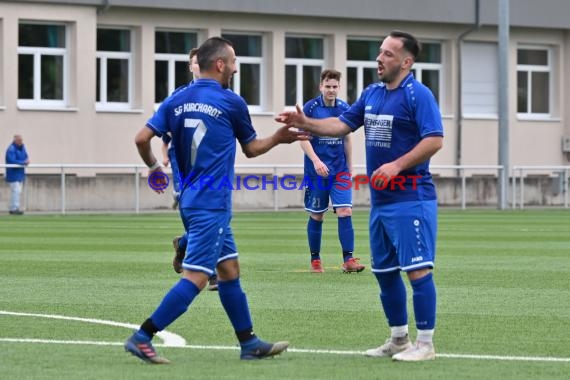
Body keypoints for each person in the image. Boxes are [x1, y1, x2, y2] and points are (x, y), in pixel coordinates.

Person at [125, 36, 306, 364]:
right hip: (212, 203)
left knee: (229, 269)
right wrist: (279, 138)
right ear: (220, 64)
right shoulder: (230, 101)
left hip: (190, 197)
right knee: (196, 277)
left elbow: (141, 138)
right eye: (234, 61)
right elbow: (251, 149)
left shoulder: (177, 99)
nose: (236, 67)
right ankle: (143, 336)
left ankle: (249, 343)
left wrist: (154, 168)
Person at [277, 30, 443, 362]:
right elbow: (341, 125)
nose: (379, 59)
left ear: (407, 62)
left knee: (417, 270)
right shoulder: (372, 93)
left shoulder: (418, 95)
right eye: (380, 52)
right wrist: (304, 121)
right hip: (381, 202)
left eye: (388, 54)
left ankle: (425, 344)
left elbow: (435, 139)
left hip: (412, 198)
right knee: (384, 272)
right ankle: (398, 339)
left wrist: (396, 165)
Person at [160, 48, 220, 290]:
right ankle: (212, 273)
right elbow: (164, 132)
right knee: (200, 215)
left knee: (209, 217)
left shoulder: (219, 95)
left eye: (201, 62)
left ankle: (183, 245)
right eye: (195, 63)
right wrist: (162, 157)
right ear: (190, 66)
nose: (198, 66)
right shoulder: (180, 95)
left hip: (210, 165)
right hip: (183, 164)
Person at [300, 69, 364, 274]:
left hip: (340, 171)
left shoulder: (345, 108)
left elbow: (346, 138)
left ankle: (349, 259)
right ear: (321, 86)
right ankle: (315, 260)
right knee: (317, 215)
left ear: (339, 87)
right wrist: (317, 161)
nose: (331, 90)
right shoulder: (310, 108)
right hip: (317, 172)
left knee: (345, 211)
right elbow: (303, 139)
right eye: (327, 86)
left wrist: (351, 166)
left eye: (335, 86)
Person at [5, 135, 29, 215]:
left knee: (18, 191)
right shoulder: (11, 148)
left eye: (21, 140)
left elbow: (25, 156)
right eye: (19, 140)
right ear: (15, 140)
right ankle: (14, 208)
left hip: (20, 173)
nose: (21, 142)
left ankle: (14, 207)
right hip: (13, 173)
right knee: (16, 191)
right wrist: (22, 162)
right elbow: (11, 160)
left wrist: (26, 161)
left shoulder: (22, 148)